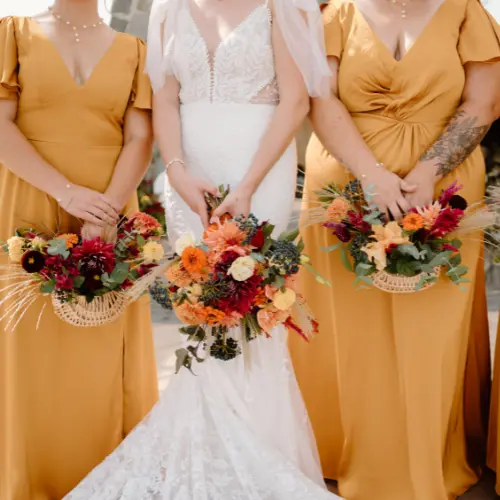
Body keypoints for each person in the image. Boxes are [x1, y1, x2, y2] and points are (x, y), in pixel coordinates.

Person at [62, 0, 339, 498]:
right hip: (188, 174)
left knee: (253, 303)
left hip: (258, 168)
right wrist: (177, 171)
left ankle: (261, 447)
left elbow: (296, 102)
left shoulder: (282, 6)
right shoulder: (168, 7)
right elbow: (165, 99)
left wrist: (249, 185)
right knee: (200, 301)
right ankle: (203, 441)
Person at [289, 0, 500, 499]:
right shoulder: (335, 13)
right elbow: (320, 99)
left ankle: (430, 456)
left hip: (445, 191)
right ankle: (350, 452)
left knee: (433, 329)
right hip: (344, 187)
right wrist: (372, 176)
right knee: (350, 329)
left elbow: (483, 103)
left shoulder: (466, 11)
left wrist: (427, 172)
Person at [0, 1, 159, 498]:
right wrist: (66, 193)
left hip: (107, 207)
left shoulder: (136, 49)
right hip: (31, 195)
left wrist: (106, 210)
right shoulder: (12, 32)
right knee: (29, 341)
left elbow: (140, 136)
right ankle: (31, 473)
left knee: (101, 339)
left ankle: (103, 472)